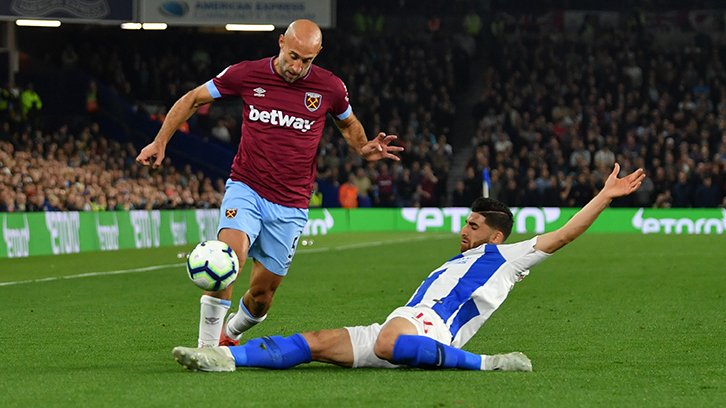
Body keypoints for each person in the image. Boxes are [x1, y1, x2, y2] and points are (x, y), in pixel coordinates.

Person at [172, 164, 645, 372]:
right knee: (315, 344)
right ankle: (222, 357)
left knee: (386, 341)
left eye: (475, 225)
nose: (466, 230)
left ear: (496, 235)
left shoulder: (507, 257)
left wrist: (603, 196)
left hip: (431, 330)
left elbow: (562, 235)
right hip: (405, 321)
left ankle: (490, 364)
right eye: (465, 221)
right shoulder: (464, 258)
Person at [136, 20, 402, 349]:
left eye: (307, 60)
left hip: (292, 203)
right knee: (228, 259)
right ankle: (206, 349)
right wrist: (160, 141)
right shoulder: (247, 74)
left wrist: (363, 147)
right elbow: (193, 99)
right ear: (280, 42)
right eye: (293, 56)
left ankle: (230, 333)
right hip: (246, 187)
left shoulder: (329, 88)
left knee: (262, 296)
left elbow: (348, 125)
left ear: (317, 54)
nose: (297, 66)